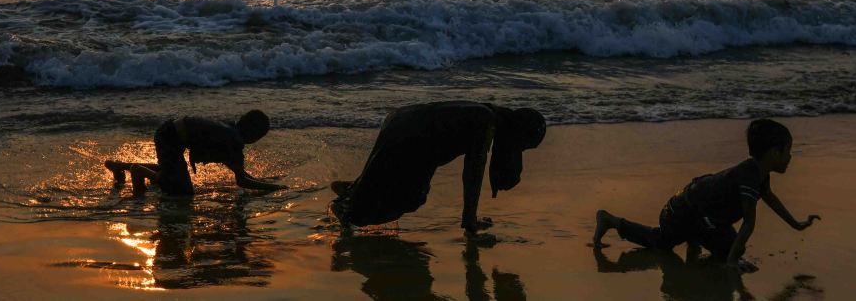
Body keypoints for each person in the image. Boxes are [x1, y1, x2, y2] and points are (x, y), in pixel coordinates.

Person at [592, 118, 819, 271]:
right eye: (788, 151)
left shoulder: (759, 173)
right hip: (681, 212)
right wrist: (732, 262)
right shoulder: (750, 176)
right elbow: (749, 223)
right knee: (662, 242)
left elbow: (770, 198)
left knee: (730, 247)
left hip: (705, 216)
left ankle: (696, 238)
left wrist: (796, 224)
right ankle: (611, 220)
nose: (790, 157)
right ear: (773, 153)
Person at [330, 101, 546, 236]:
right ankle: (349, 210)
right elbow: (473, 170)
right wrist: (469, 220)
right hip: (415, 135)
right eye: (524, 146)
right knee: (411, 198)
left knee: (388, 175)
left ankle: (353, 189)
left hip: (400, 118)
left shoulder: (488, 113)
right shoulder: (486, 123)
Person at [104, 110, 284, 196]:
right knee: (183, 190)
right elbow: (241, 181)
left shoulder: (230, 132)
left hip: (169, 132)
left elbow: (240, 172)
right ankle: (138, 170)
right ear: (254, 134)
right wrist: (275, 188)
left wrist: (264, 183)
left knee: (171, 168)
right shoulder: (234, 141)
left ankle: (119, 166)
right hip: (170, 137)